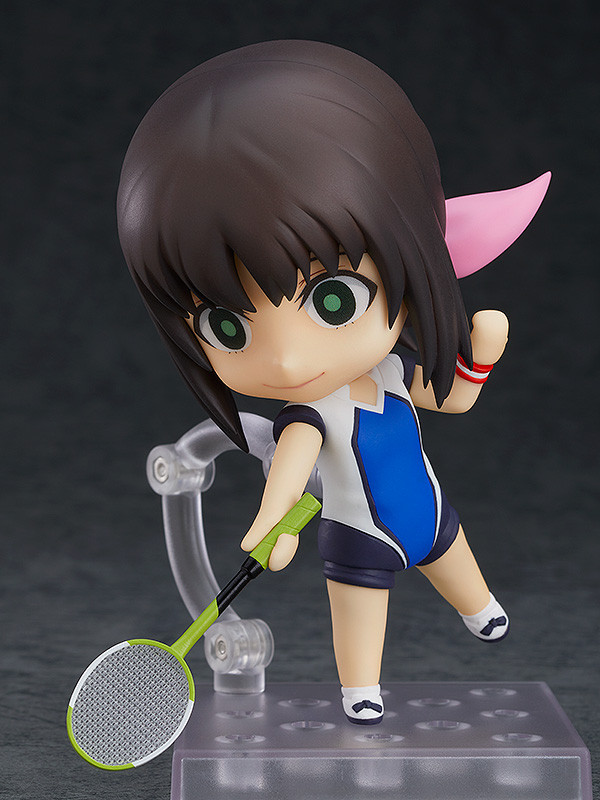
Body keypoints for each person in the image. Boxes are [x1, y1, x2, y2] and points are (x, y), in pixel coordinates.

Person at [117, 40, 549, 724]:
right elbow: (287, 481)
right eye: (227, 326)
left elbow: (457, 398)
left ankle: (480, 608)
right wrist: (273, 528)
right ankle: (360, 690)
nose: (289, 362)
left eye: (334, 300)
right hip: (360, 537)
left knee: (457, 565)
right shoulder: (307, 419)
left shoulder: (391, 371)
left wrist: (480, 357)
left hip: (431, 514)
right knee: (360, 609)